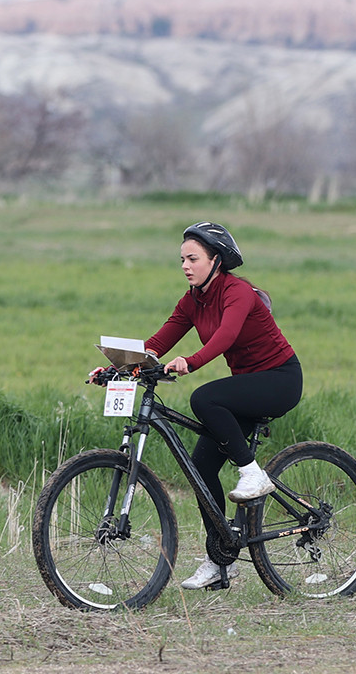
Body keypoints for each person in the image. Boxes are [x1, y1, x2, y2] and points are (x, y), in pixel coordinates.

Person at [145, 221, 303, 590]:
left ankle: (253, 474)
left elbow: (226, 335)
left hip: (279, 379)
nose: (185, 266)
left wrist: (192, 361)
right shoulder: (192, 300)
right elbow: (160, 339)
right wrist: (118, 365)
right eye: (182, 259)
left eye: (193, 259)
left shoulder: (238, 291)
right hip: (246, 386)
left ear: (216, 260)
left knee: (204, 397)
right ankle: (221, 559)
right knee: (201, 467)